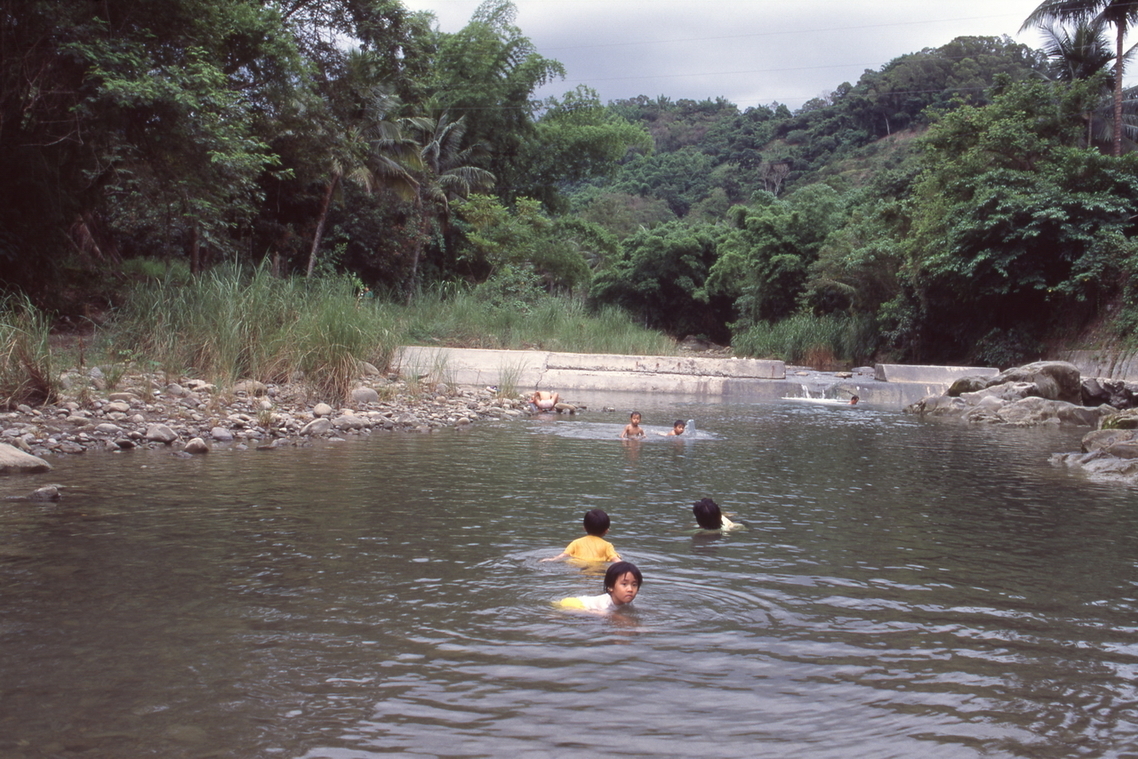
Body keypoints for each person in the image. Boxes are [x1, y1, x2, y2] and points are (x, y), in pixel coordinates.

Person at [558, 561, 642, 612]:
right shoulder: (605, 605)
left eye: (634, 585)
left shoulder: (626, 601)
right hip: (573, 604)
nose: (630, 589)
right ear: (610, 587)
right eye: (624, 584)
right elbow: (609, 616)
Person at [542, 508, 621, 562]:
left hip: (577, 566)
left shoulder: (576, 542)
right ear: (606, 530)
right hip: (597, 568)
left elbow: (563, 556)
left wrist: (551, 560)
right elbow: (615, 560)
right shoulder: (607, 545)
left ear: (584, 528)